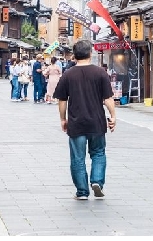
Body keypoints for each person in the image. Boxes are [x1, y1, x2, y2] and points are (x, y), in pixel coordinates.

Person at [54, 40, 116, 200]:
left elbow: (62, 100)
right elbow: (108, 98)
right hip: (97, 121)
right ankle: (97, 182)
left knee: (77, 157)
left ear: (74, 55)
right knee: (98, 153)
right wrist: (113, 117)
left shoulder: (68, 74)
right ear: (90, 53)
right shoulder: (100, 73)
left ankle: (82, 192)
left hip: (76, 122)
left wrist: (63, 119)